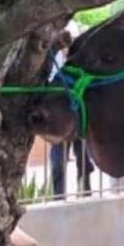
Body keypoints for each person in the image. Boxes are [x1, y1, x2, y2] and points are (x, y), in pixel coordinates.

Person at [47, 31, 94, 198]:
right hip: (58, 117)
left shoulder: (78, 65)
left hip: (76, 115)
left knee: (83, 159)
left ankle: (86, 192)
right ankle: (58, 196)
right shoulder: (52, 62)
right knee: (58, 162)